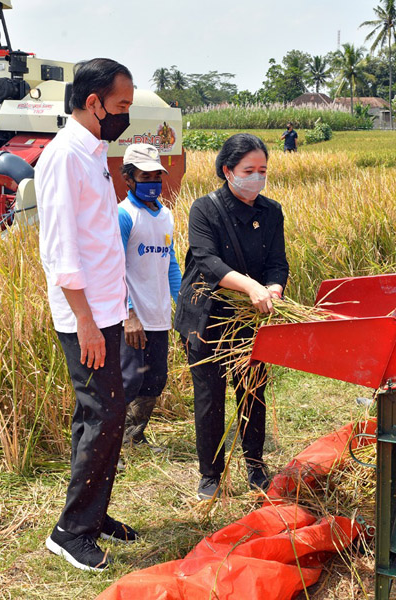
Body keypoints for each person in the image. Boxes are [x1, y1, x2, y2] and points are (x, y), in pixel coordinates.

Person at [36, 57, 137, 572]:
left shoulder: (93, 151)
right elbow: (61, 250)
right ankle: (70, 532)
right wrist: (87, 322)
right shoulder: (63, 158)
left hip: (105, 308)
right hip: (86, 316)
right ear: (93, 101)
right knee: (105, 414)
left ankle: (92, 516)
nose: (125, 116)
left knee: (97, 415)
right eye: (120, 106)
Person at [174, 133, 289, 501]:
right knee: (209, 397)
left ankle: (255, 466)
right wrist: (251, 288)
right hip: (207, 315)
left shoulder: (271, 212)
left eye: (262, 171)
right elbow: (207, 262)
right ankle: (211, 475)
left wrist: (273, 289)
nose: (256, 178)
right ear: (228, 171)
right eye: (248, 170)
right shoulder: (204, 209)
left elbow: (277, 262)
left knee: (253, 391)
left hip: (250, 318)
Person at [117, 143, 182, 447]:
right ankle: (111, 443)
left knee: (155, 379)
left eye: (157, 175)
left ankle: (134, 437)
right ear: (128, 179)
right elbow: (113, 269)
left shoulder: (165, 215)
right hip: (133, 318)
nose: (153, 183)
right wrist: (129, 314)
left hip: (158, 316)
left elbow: (171, 264)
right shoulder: (123, 215)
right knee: (129, 380)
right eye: (145, 176)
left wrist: (183, 305)